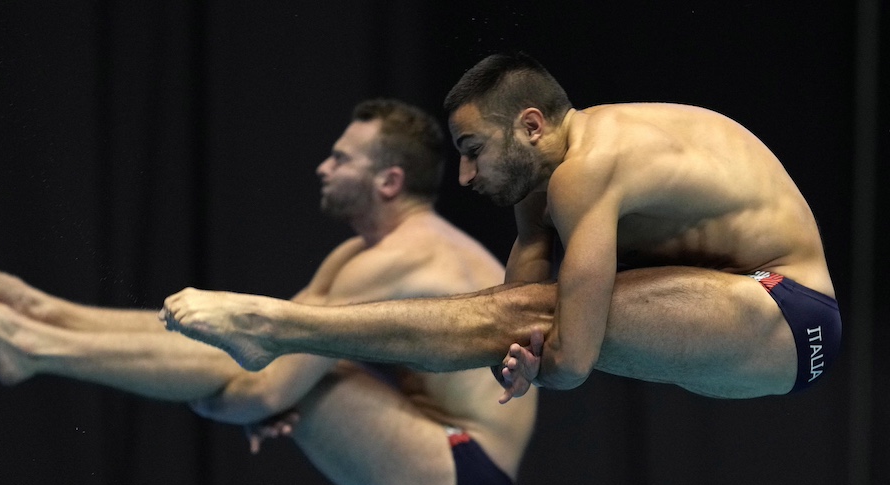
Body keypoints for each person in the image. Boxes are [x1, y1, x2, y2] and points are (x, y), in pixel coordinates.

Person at [0, 99, 537, 485]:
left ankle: (36, 348)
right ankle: (46, 317)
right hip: (436, 452)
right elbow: (254, 350)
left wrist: (227, 405)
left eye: (341, 157)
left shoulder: (403, 261)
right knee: (271, 352)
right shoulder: (360, 255)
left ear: (388, 181)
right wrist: (249, 395)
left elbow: (260, 387)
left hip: (465, 483)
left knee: (300, 372)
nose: (323, 167)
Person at [159, 52, 842, 404]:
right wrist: (518, 358)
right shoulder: (546, 179)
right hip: (756, 315)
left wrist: (532, 354)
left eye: (472, 152)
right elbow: (518, 307)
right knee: (511, 313)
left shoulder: (589, 169)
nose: (463, 178)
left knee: (528, 317)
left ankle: (275, 329)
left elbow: (569, 363)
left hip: (791, 314)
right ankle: (276, 334)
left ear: (531, 125)